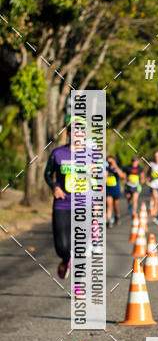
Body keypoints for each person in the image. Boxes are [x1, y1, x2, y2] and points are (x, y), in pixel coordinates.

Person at [43, 116, 89, 279]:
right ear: (68, 133)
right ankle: (65, 259)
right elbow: (47, 174)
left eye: (81, 130)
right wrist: (54, 187)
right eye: (74, 130)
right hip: (62, 204)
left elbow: (100, 180)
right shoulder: (58, 153)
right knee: (61, 247)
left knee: (80, 247)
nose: (78, 133)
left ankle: (79, 287)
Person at [106, 156, 125, 226]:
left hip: (115, 189)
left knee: (115, 205)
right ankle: (109, 219)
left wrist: (115, 166)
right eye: (108, 161)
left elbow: (122, 176)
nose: (110, 163)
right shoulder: (106, 169)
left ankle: (117, 216)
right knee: (109, 205)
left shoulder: (117, 168)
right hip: (108, 190)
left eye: (111, 161)